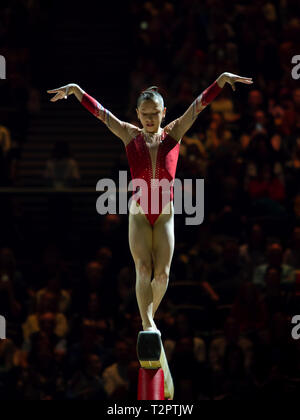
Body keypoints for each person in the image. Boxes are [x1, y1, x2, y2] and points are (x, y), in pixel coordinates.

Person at [47, 72, 253, 334]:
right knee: (143, 270)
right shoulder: (128, 134)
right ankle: (147, 323)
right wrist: (77, 91)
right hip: (139, 214)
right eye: (144, 113)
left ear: (164, 112)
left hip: (165, 213)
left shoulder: (174, 132)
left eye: (154, 113)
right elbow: (101, 113)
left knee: (163, 275)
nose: (149, 118)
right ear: (136, 113)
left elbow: (199, 106)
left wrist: (221, 81)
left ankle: (148, 319)